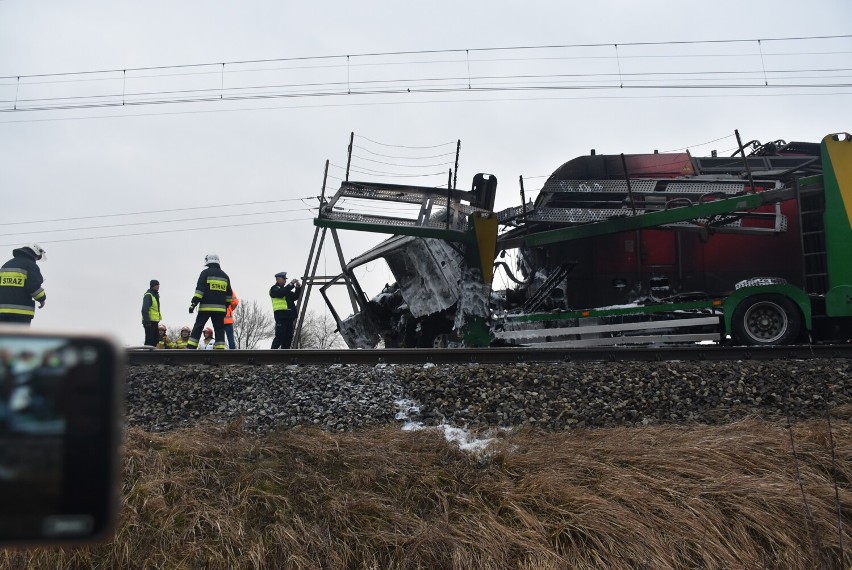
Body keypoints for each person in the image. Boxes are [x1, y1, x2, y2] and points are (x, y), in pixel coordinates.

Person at [186, 253, 232, 350]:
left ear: (208, 262)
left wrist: (193, 304)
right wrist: (225, 306)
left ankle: (191, 348)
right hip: (220, 309)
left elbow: (199, 291)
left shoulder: (205, 273)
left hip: (205, 307)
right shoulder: (225, 276)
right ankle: (220, 349)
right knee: (219, 329)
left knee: (199, 326)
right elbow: (229, 295)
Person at [0, 244, 47, 326]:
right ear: (35, 253)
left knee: (4, 337)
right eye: (37, 257)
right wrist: (42, 299)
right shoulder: (31, 265)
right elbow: (33, 287)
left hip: (2, 312)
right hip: (20, 313)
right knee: (18, 338)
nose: (36, 259)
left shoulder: (6, 265)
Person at [270, 271, 301, 349]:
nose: (285, 280)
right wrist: (291, 284)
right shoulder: (274, 289)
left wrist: (298, 288)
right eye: (283, 279)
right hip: (281, 316)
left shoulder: (285, 290)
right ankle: (271, 356)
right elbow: (281, 293)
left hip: (289, 317)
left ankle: (285, 358)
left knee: (288, 338)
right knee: (280, 337)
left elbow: (294, 297)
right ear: (278, 279)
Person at [141, 279, 161, 347]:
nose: (158, 286)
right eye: (157, 285)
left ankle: (154, 356)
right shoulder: (148, 295)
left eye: (158, 285)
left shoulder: (155, 295)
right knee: (149, 340)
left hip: (154, 321)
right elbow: (144, 309)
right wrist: (147, 321)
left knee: (155, 340)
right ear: (153, 286)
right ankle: (147, 356)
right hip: (149, 322)